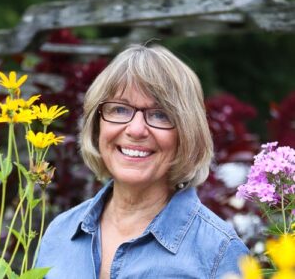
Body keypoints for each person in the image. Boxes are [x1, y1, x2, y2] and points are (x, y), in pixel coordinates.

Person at [36, 44, 249, 278]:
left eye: (160, 114)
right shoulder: (60, 233)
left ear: (187, 133)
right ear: (97, 126)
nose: (136, 130)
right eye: (119, 109)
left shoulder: (219, 253)